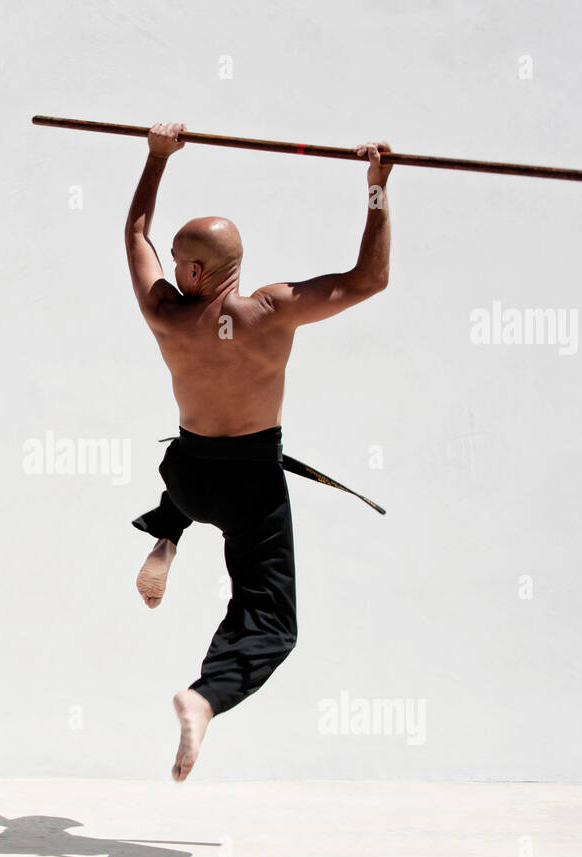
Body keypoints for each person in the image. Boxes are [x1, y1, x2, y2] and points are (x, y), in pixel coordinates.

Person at [124, 121, 391, 782]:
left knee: (178, 466)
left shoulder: (164, 311)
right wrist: (377, 190)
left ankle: (167, 535)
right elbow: (369, 280)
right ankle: (205, 698)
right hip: (251, 484)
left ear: (190, 271)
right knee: (269, 621)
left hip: (190, 474)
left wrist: (156, 158)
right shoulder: (271, 310)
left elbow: (135, 234)